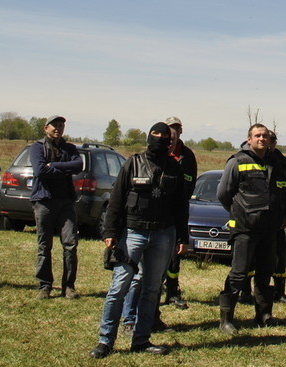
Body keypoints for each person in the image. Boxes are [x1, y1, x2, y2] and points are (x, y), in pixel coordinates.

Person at [90, 123, 189, 358]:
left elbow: (180, 206)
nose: (159, 139)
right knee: (119, 287)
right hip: (132, 234)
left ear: (170, 141)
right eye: (155, 135)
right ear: (148, 137)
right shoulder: (132, 163)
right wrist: (110, 232)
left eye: (164, 136)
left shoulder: (175, 168)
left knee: (152, 289)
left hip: (163, 234)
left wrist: (183, 236)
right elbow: (116, 199)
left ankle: (141, 339)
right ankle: (106, 341)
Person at [216, 123, 286, 335]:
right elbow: (223, 193)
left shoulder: (277, 162)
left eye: (265, 136)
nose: (262, 139)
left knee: (265, 272)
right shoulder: (238, 161)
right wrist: (238, 212)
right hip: (245, 229)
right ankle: (226, 320)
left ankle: (263, 315)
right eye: (257, 136)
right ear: (249, 139)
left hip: (270, 230)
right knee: (239, 273)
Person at [29, 115, 82, 299]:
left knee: (70, 245)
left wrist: (56, 166)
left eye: (61, 125)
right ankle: (45, 286)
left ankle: (68, 286)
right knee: (44, 245)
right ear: (46, 128)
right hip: (44, 201)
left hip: (66, 201)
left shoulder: (70, 148)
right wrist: (64, 170)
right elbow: (40, 170)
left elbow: (78, 165)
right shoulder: (37, 147)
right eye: (55, 125)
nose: (58, 128)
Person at [161, 116, 197, 309]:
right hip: (159, 212)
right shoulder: (160, 152)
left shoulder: (188, 156)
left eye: (176, 129)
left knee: (175, 255)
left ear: (181, 131)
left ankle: (173, 292)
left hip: (179, 212)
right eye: (169, 129)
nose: (173, 132)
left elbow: (190, 184)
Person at [267, 130, 286, 303]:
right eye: (269, 139)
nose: (271, 143)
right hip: (256, 218)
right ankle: (246, 292)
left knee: (279, 256)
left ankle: (279, 292)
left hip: (277, 217)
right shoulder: (252, 158)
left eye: (273, 140)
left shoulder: (282, 161)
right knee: (252, 256)